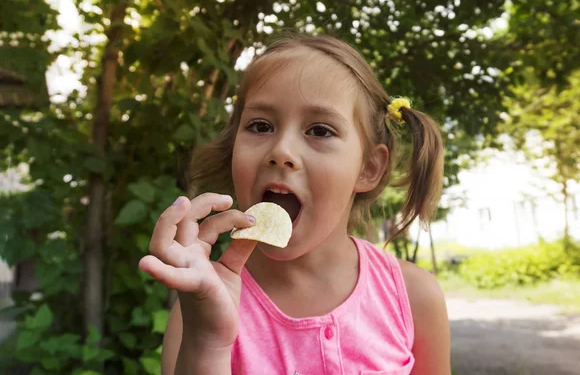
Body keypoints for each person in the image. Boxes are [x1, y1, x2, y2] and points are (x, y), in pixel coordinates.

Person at [138, 35, 451, 375]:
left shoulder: (413, 296)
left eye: (319, 130)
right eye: (260, 126)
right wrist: (208, 342)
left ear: (368, 168)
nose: (281, 151)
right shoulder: (199, 308)